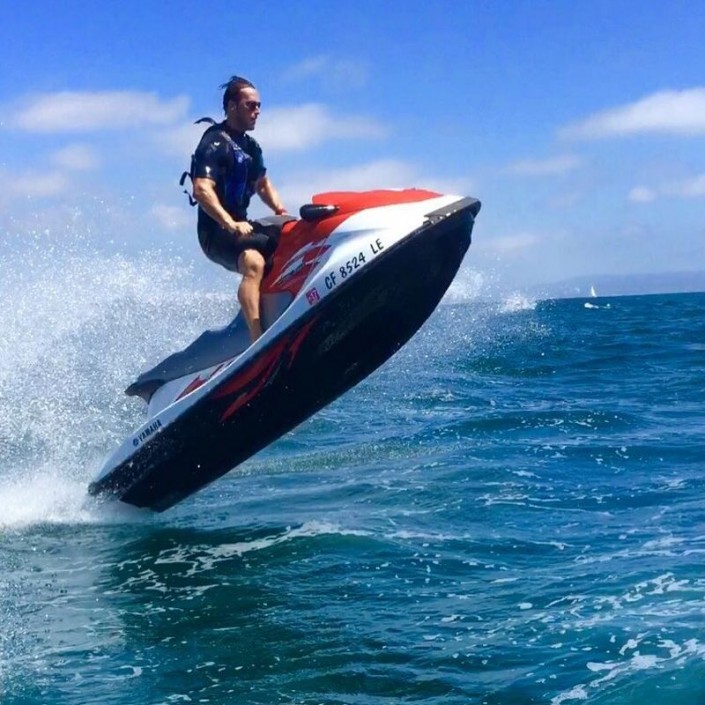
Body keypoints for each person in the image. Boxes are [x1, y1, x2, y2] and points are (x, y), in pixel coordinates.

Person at [191, 75, 287, 342]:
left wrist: (281, 212)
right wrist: (229, 223)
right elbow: (201, 189)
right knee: (253, 261)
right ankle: (257, 339)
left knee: (290, 237)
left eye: (259, 106)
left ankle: (284, 304)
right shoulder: (214, 142)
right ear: (232, 107)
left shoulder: (251, 147)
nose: (257, 111)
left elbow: (262, 184)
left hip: (241, 226)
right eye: (250, 105)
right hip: (215, 232)